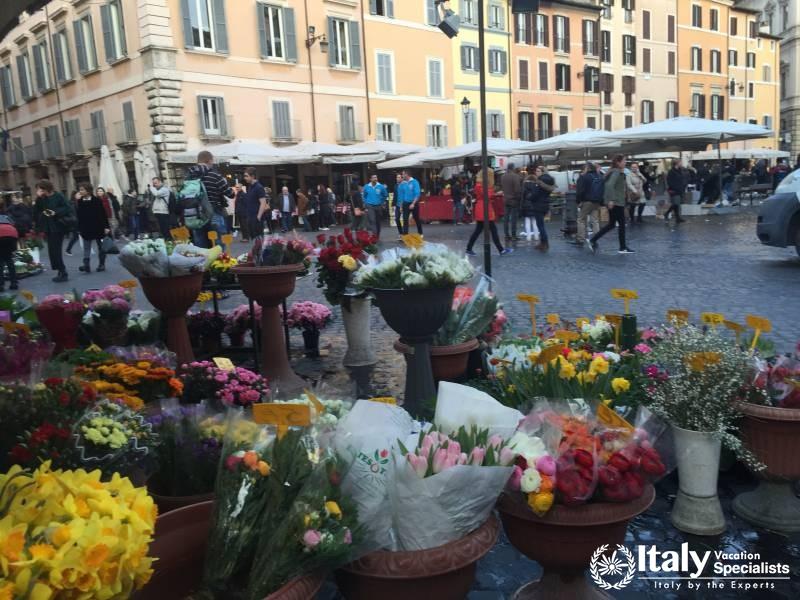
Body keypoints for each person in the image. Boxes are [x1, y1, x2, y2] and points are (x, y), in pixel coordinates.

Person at [185, 150, 234, 249]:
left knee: (200, 246)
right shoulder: (215, 176)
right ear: (210, 160)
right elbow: (230, 194)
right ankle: (219, 259)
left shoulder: (189, 177)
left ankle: (202, 259)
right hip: (214, 212)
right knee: (218, 245)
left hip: (196, 215)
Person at [589, 155, 634, 254]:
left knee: (612, 224)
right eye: (624, 161)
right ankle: (622, 247)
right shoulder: (616, 172)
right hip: (616, 202)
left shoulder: (613, 171)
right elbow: (609, 185)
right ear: (618, 162)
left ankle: (593, 240)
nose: (625, 162)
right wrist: (611, 200)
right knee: (621, 224)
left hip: (615, 202)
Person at [465, 173, 512, 257]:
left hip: (482, 209)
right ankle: (501, 250)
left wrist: (495, 193)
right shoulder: (480, 185)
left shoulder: (479, 185)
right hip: (484, 209)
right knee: (493, 230)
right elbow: (487, 194)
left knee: (478, 231)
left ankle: (469, 248)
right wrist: (496, 193)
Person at [34, 179, 72, 282]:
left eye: (41, 189)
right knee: (52, 251)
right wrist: (38, 198)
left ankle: (63, 272)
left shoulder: (58, 196)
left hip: (58, 227)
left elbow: (67, 208)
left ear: (46, 188)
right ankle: (60, 271)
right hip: (48, 228)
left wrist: (55, 212)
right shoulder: (42, 198)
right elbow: (36, 211)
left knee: (55, 251)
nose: (40, 191)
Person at [76, 183, 110, 273]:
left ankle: (101, 264)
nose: (80, 191)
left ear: (88, 191)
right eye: (80, 190)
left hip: (98, 227)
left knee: (101, 247)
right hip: (86, 228)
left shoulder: (96, 200)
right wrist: (79, 228)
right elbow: (79, 216)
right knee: (86, 247)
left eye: (82, 190)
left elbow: (103, 214)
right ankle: (86, 265)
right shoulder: (80, 201)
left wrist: (106, 227)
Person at [521, 165, 555, 252]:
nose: (536, 173)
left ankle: (545, 243)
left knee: (540, 225)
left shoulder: (540, 181)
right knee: (540, 224)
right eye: (536, 171)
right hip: (545, 204)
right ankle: (542, 242)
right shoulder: (549, 181)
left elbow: (535, 194)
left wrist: (529, 197)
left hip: (538, 205)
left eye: (538, 171)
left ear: (542, 172)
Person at [575, 162, 603, 245]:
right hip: (597, 201)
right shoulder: (599, 176)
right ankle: (595, 239)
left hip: (587, 201)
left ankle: (580, 239)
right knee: (595, 220)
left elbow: (580, 191)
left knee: (581, 220)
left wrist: (578, 201)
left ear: (588, 168)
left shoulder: (585, 177)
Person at [243, 168, 268, 240]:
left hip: (256, 218)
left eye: (246, 176)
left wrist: (258, 217)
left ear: (252, 176)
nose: (245, 178)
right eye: (244, 176)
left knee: (259, 240)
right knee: (254, 239)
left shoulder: (259, 187)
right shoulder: (250, 187)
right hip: (250, 217)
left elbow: (263, 203)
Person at [398, 169, 422, 236]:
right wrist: (401, 206)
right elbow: (401, 196)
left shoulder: (415, 182)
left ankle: (420, 233)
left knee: (416, 218)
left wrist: (413, 203)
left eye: (403, 174)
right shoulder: (403, 183)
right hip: (406, 203)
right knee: (405, 219)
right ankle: (405, 235)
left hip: (414, 202)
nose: (402, 176)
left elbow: (417, 193)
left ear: (407, 174)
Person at [363, 173, 388, 237]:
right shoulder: (366, 186)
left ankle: (377, 234)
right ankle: (374, 235)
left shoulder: (381, 186)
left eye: (376, 177)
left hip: (378, 205)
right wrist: (365, 203)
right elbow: (364, 196)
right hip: (370, 205)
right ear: (370, 179)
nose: (375, 179)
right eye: (374, 177)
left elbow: (385, 195)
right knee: (372, 220)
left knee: (378, 221)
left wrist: (381, 202)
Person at [501, 165, 522, 241]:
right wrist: (518, 197)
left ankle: (506, 235)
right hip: (514, 200)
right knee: (513, 219)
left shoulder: (503, 176)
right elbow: (517, 189)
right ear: (513, 168)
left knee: (506, 219)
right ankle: (513, 235)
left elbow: (502, 187)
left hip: (506, 199)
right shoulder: (515, 176)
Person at [665, 158, 688, 225]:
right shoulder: (671, 171)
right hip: (673, 190)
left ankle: (678, 218)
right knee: (676, 203)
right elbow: (669, 181)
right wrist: (674, 188)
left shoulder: (680, 170)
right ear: (677, 163)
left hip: (680, 190)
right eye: (680, 162)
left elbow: (682, 178)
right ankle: (667, 213)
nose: (681, 163)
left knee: (677, 204)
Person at [0, 212, 18, 291]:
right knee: (9, 260)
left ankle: (1, 285)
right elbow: (14, 223)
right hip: (12, 234)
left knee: (0, 262)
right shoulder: (6, 217)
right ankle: (14, 283)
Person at [65, 191, 81, 255]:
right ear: (74, 195)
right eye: (79, 194)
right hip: (75, 222)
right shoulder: (72, 203)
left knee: (76, 237)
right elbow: (73, 214)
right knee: (75, 237)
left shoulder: (78, 202)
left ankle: (68, 250)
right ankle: (68, 250)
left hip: (78, 221)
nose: (80, 195)